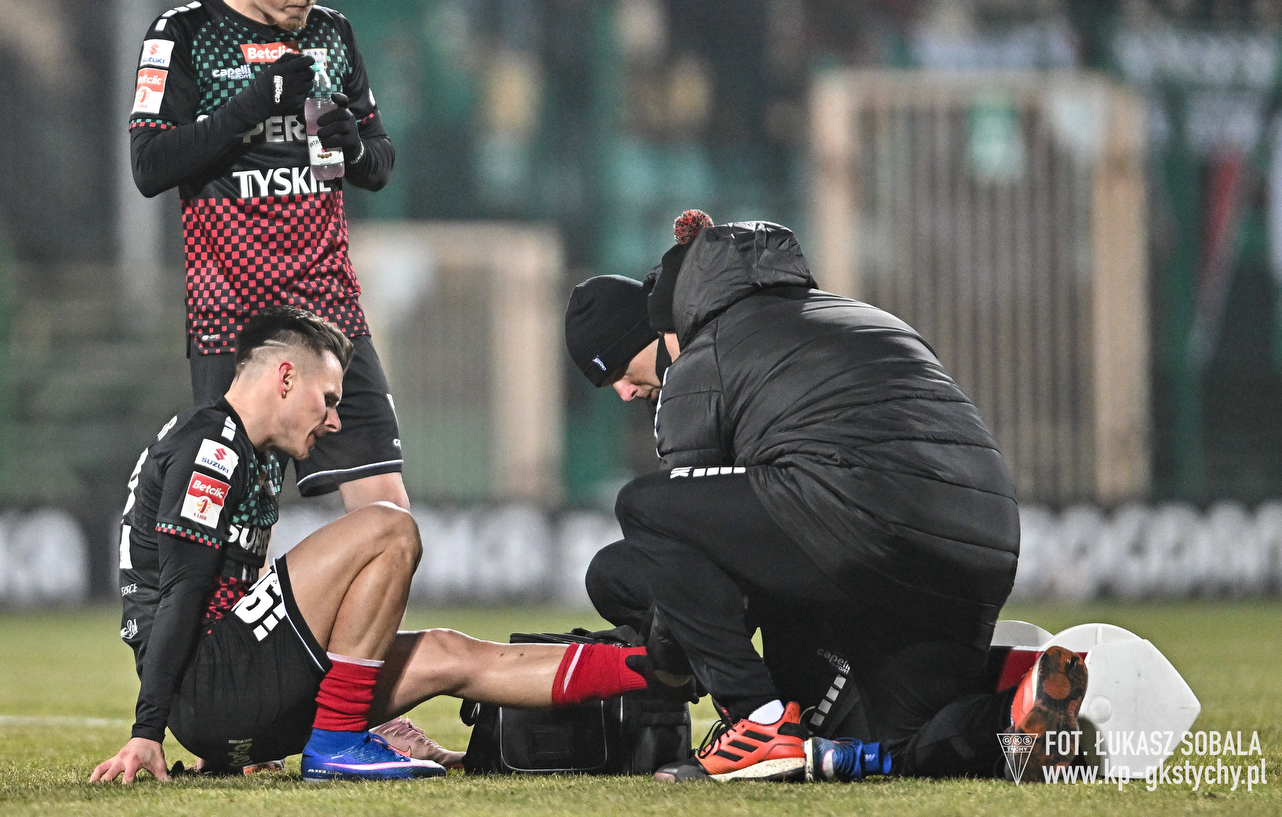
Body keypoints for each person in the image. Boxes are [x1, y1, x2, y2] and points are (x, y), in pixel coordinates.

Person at [565, 214, 1085, 783]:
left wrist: (670, 656)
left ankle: (757, 722)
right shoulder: (851, 314)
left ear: (658, 328)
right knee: (899, 745)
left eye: (618, 370)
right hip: (984, 544)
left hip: (863, 521)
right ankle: (1020, 709)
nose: (623, 391)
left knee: (642, 511)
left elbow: (685, 538)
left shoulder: (700, 358)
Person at [95, 305, 667, 784]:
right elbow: (180, 596)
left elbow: (231, 593)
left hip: (238, 701)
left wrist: (224, 739)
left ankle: (656, 668)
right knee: (389, 526)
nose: (335, 421)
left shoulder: (253, 453)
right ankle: (338, 741)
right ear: (285, 378)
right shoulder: (211, 451)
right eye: (328, 398)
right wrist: (149, 731)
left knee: (448, 654)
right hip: (213, 688)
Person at [127, 0, 406, 513]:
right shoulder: (183, 34)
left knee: (390, 520)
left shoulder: (332, 34)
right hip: (233, 320)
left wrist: (353, 148)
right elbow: (149, 165)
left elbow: (379, 163)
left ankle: (313, 591)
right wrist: (250, 107)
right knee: (236, 525)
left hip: (330, 310)